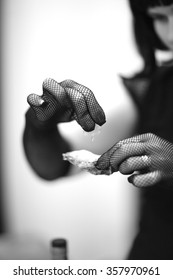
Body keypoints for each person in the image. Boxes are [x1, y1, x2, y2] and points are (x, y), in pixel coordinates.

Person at [23, 0, 173, 259]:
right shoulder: (152, 90)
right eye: (159, 18)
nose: (171, 34)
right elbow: (56, 165)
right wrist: (40, 126)